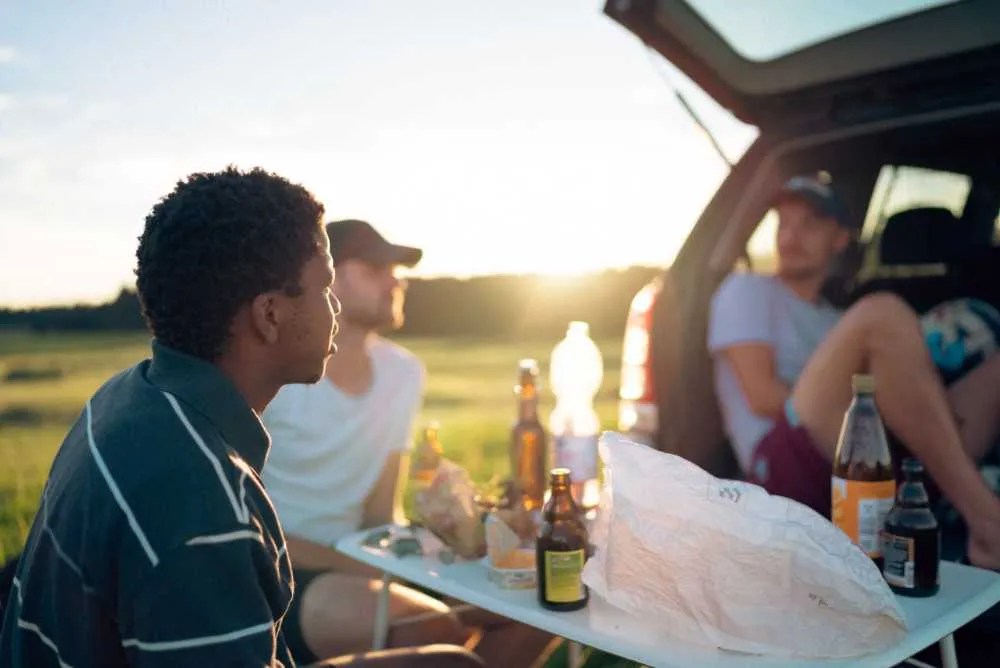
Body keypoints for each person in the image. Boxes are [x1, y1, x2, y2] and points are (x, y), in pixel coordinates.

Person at [0, 168, 481, 668]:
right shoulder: (201, 495)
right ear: (269, 315)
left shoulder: (127, 396)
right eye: (324, 288)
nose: (333, 309)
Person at [263, 220, 555, 667]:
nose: (396, 279)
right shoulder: (276, 375)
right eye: (376, 268)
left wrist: (455, 531)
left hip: (363, 563)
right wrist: (369, 567)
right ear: (325, 276)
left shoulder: (402, 374)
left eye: (396, 269)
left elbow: (382, 513)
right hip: (281, 572)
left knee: (538, 606)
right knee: (432, 629)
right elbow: (243, 522)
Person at [708, 175, 1000, 570]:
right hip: (778, 470)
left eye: (810, 223)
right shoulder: (747, 290)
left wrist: (906, 412)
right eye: (785, 222)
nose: (792, 235)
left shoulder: (838, 319)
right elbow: (762, 396)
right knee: (883, 312)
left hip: (863, 456)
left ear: (841, 239)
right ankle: (987, 521)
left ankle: (944, 500)